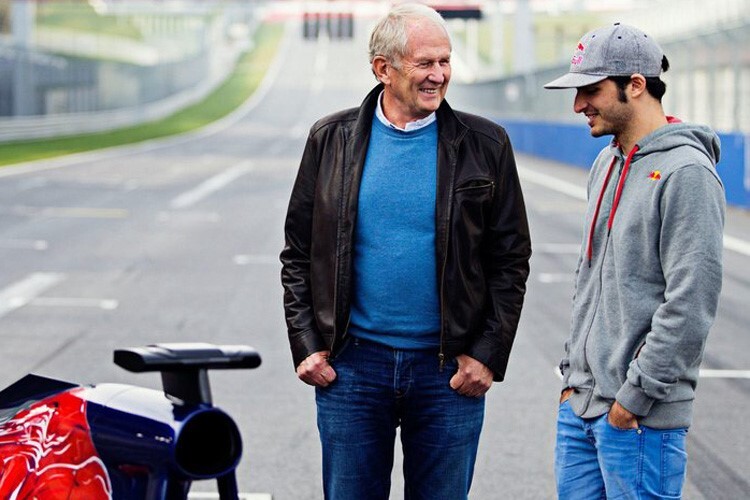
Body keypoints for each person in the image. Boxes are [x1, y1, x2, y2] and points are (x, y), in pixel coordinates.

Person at [280, 3, 531, 499]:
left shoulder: (486, 143)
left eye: (445, 61)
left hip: (447, 373)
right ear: (382, 69)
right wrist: (307, 343)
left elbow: (510, 260)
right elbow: (298, 253)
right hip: (351, 369)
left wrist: (486, 355)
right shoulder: (330, 139)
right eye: (424, 63)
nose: (439, 75)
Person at [544, 23, 725, 499]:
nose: (579, 104)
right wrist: (572, 379)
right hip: (580, 408)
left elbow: (690, 303)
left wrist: (634, 399)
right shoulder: (605, 162)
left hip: (637, 420)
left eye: (591, 90)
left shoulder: (687, 173)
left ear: (636, 85)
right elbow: (589, 279)